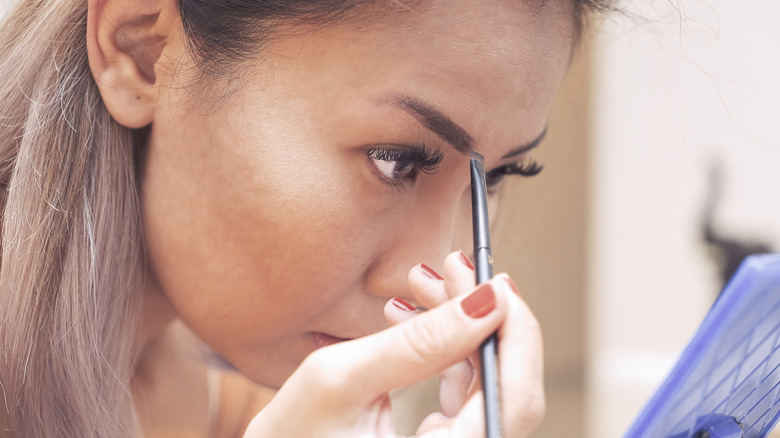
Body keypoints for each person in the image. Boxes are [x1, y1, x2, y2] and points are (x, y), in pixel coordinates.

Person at [0, 0, 613, 436]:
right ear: (142, 49)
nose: (425, 276)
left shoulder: (247, 414)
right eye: (394, 159)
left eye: (496, 177)